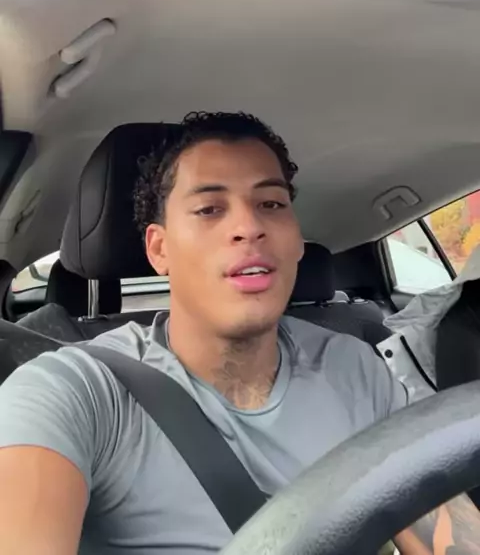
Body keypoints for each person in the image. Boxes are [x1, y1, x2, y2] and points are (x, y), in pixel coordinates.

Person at [0, 111, 477, 555]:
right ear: (159, 249)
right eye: (209, 209)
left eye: (271, 203)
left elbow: (447, 538)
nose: (249, 226)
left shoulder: (358, 369)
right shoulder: (73, 391)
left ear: (297, 240)